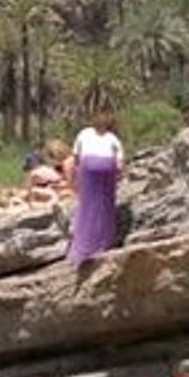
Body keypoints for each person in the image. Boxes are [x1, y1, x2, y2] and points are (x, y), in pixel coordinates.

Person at [67, 111, 125, 264]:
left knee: (87, 205)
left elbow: (76, 159)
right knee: (105, 205)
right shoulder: (114, 139)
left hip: (88, 166)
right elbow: (119, 165)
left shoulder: (83, 134)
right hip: (107, 167)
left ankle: (83, 246)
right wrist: (118, 176)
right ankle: (104, 242)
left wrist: (74, 180)